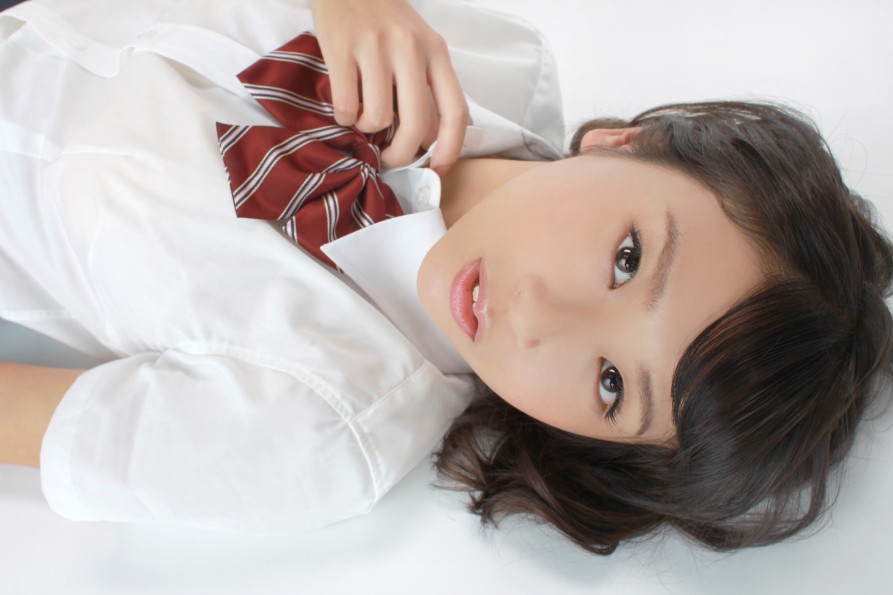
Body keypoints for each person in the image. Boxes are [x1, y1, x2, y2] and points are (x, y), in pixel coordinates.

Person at [1, 0, 890, 557]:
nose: (539, 319)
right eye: (626, 258)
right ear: (629, 143)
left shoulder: (320, 432)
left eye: (612, 386)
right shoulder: (500, 57)